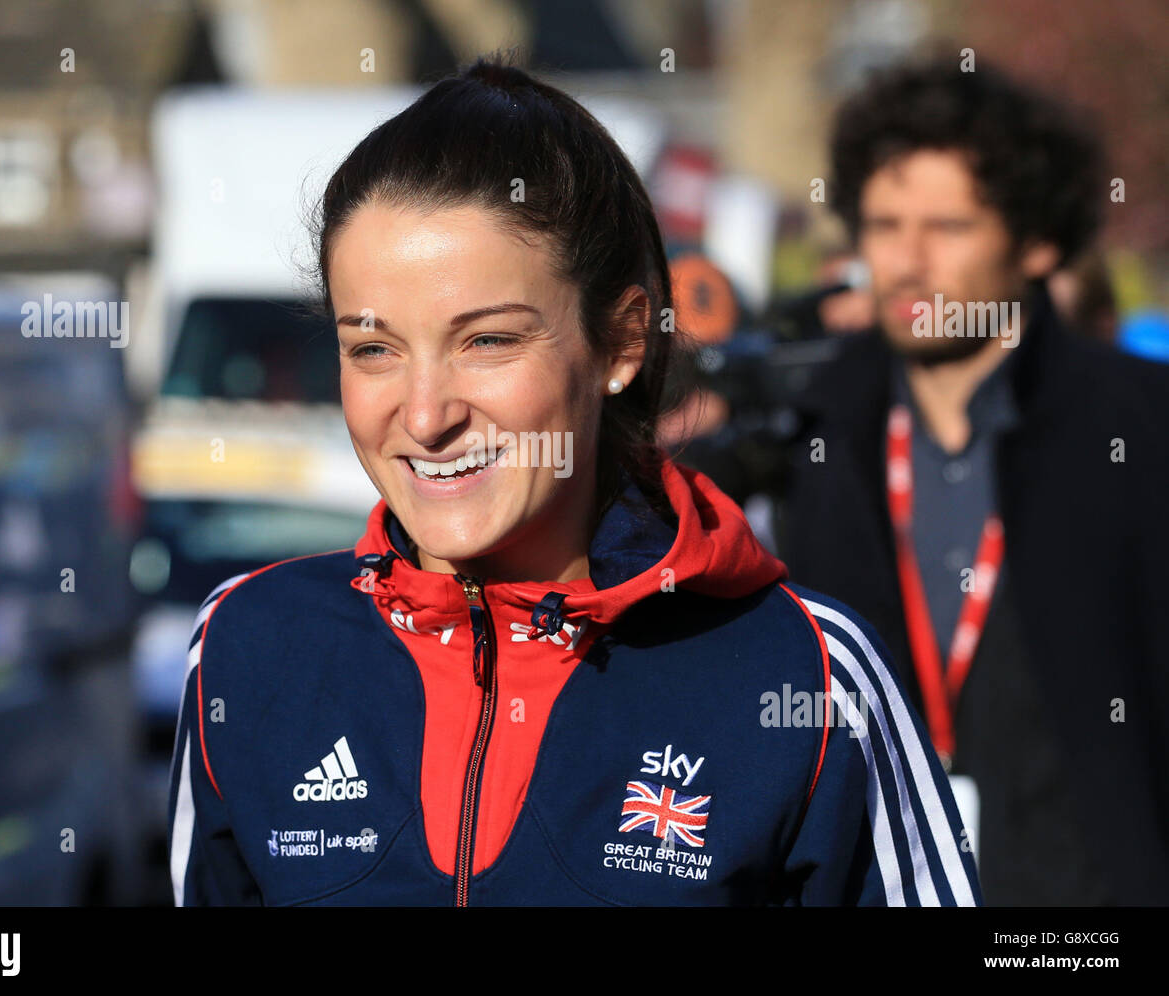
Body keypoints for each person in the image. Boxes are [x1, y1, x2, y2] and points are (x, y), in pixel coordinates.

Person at [167, 58, 979, 907]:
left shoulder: (809, 675)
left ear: (624, 344)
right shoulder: (245, 649)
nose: (424, 413)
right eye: (373, 349)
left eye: (488, 341)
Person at [776, 55, 1169, 904]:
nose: (908, 261)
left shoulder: (1142, 425)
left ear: (1037, 241)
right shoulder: (809, 430)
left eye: (948, 226)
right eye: (883, 225)